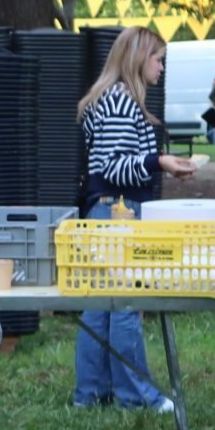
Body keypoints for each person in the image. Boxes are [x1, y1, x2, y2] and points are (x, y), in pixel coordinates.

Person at [71, 26, 195, 410]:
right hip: (119, 212)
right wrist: (160, 162)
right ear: (139, 58)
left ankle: (91, 393)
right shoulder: (122, 102)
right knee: (125, 305)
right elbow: (114, 167)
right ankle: (135, 395)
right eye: (158, 59)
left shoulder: (108, 99)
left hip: (105, 211)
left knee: (100, 307)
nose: (161, 67)